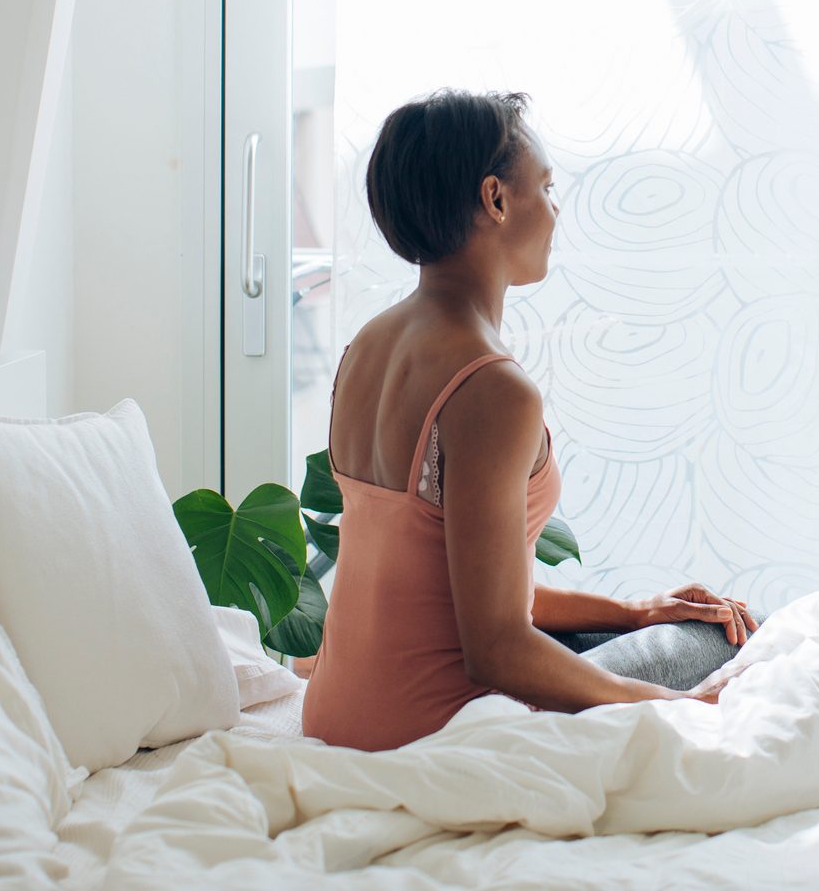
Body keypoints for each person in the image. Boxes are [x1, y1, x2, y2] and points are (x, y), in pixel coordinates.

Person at [301, 88, 761, 751]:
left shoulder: (365, 348)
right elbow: (495, 651)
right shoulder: (490, 389)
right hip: (434, 731)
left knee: (665, 629)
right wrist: (676, 705)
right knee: (738, 636)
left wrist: (635, 612)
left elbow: (445, 588)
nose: (553, 209)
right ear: (495, 199)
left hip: (338, 712)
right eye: (545, 186)